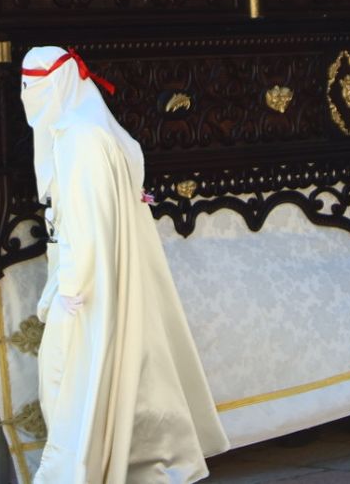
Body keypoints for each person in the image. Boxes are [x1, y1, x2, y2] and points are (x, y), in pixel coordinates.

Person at [20, 47, 226, 482]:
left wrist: (71, 286)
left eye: (35, 84)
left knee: (67, 376)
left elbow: (85, 221)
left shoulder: (80, 138)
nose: (28, 94)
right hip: (111, 270)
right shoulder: (94, 128)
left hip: (88, 281)